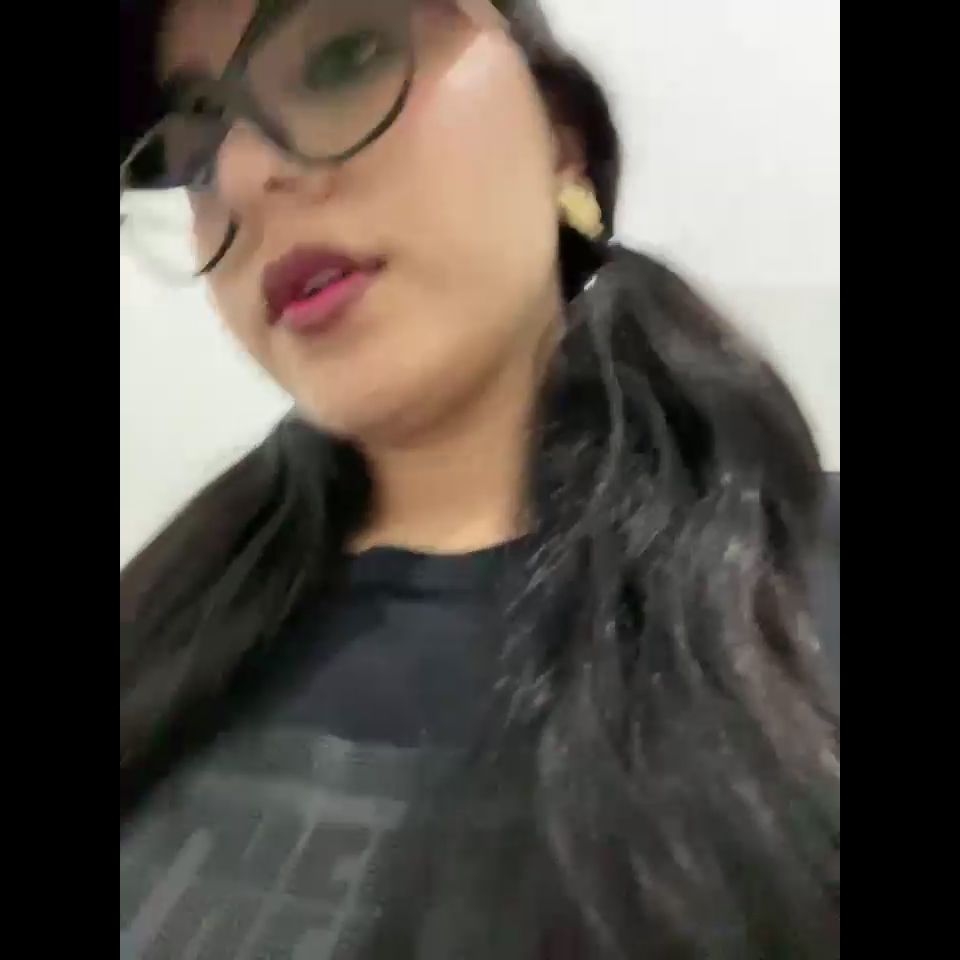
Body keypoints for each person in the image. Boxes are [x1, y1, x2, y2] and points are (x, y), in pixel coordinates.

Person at [119, 1, 840, 957]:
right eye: (191, 150)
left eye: (345, 56)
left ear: (562, 142)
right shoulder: (161, 614)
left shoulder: (796, 600)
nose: (245, 175)